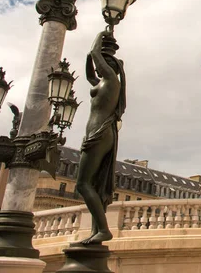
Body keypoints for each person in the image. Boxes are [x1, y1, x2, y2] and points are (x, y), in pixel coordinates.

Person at [76, 30, 126, 244]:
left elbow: (95, 53)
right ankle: (97, 231)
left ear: (110, 66)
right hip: (100, 133)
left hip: (99, 134)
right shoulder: (104, 84)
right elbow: (89, 75)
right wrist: (89, 57)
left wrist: (100, 34)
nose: (98, 67)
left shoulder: (112, 81)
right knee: (94, 184)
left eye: (102, 64)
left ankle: (103, 229)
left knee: (83, 184)